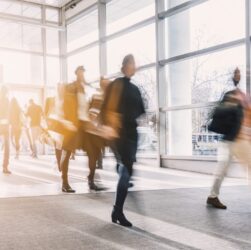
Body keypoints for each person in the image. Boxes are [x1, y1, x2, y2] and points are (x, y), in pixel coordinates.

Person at [101, 54, 145, 227]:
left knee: (126, 170)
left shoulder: (135, 88)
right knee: (126, 171)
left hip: (131, 134)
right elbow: (105, 108)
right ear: (125, 65)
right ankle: (118, 211)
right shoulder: (116, 84)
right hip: (119, 134)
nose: (134, 66)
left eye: (135, 63)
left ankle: (117, 210)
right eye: (131, 63)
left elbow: (140, 111)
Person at [207, 68, 251, 209]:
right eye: (237, 74)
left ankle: (212, 196)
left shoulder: (246, 98)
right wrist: (231, 103)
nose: (239, 76)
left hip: (243, 140)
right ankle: (212, 197)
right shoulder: (231, 95)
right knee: (222, 168)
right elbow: (217, 112)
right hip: (231, 139)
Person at [59, 66, 104, 193]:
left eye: (83, 73)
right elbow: (66, 105)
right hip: (73, 125)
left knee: (93, 151)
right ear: (76, 74)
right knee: (67, 153)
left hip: (84, 124)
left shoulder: (85, 89)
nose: (82, 75)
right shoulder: (71, 87)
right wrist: (67, 122)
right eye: (80, 73)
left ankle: (91, 180)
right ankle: (65, 182)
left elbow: (87, 106)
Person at [0, 86, 11, 174]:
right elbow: (8, 113)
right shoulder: (6, 100)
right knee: (7, 147)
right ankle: (5, 167)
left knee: (7, 146)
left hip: (4, 125)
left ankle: (5, 167)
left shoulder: (6, 100)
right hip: (4, 126)